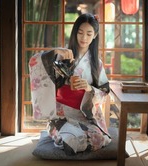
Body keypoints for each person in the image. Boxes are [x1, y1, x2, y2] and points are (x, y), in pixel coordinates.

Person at [29, 13, 111, 155]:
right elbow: (35, 62)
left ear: (95, 35)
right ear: (75, 33)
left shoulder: (96, 64)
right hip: (62, 114)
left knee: (98, 138)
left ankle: (66, 136)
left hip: (85, 115)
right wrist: (55, 51)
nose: (84, 38)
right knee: (71, 139)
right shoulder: (63, 55)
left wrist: (88, 88)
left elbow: (104, 93)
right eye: (80, 33)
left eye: (89, 33)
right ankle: (60, 131)